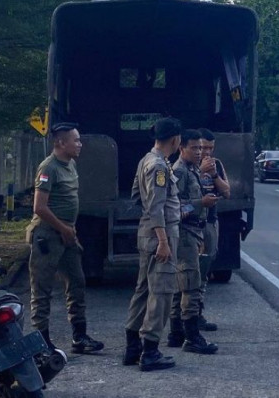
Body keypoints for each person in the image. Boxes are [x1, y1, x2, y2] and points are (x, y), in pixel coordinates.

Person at [26, 122, 104, 355]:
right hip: (48, 235)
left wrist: (69, 229)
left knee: (77, 282)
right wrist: (62, 228)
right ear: (60, 142)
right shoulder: (49, 168)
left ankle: (79, 337)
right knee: (42, 289)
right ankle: (42, 343)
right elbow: (40, 207)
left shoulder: (70, 164)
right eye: (76, 140)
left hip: (67, 233)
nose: (80, 144)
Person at [123, 117, 183, 371]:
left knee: (143, 289)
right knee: (162, 293)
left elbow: (137, 195)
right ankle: (150, 351)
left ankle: (132, 346)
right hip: (161, 234)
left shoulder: (145, 160)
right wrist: (163, 240)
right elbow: (156, 206)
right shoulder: (159, 166)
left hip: (146, 231)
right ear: (175, 139)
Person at [166, 130, 219, 354]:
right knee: (191, 285)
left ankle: (176, 333)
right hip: (184, 234)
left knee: (182, 285)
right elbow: (175, 209)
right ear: (182, 148)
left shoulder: (192, 170)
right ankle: (191, 336)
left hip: (193, 233)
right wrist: (201, 203)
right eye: (194, 148)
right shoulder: (179, 171)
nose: (199, 152)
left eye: (201, 148)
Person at [197, 128, 230, 332]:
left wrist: (214, 174)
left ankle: (198, 312)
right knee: (189, 272)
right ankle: (183, 316)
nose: (207, 152)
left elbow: (227, 191)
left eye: (210, 148)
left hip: (210, 221)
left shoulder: (216, 164)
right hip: (191, 223)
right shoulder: (187, 164)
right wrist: (200, 171)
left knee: (204, 268)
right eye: (203, 148)